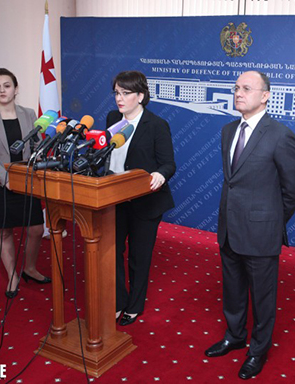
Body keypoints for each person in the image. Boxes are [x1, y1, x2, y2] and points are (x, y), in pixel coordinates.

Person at [204, 71, 295, 379]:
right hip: (229, 229)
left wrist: (271, 222)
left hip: (262, 233)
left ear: (265, 95)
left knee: (262, 297)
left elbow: (293, 189)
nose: (238, 93)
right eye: (236, 88)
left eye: (246, 88)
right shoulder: (227, 130)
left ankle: (258, 350)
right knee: (232, 289)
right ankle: (234, 336)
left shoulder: (280, 134)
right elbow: (232, 183)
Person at [106, 71, 176, 326]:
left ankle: (134, 306)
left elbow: (168, 163)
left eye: (125, 93)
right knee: (111, 252)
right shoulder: (113, 118)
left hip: (146, 201)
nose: (119, 98)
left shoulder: (156, 125)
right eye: (116, 93)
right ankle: (117, 301)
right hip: (114, 197)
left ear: (141, 96)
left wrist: (159, 174)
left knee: (138, 256)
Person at [0, 68, 51, 299]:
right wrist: (6, 179)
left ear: (15, 89)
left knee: (36, 228)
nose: (2, 90)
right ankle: (13, 276)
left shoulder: (28, 114)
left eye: (6, 86)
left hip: (26, 180)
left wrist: (41, 155)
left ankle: (29, 268)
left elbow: (36, 145)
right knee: (4, 231)